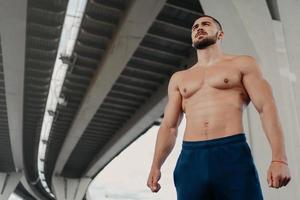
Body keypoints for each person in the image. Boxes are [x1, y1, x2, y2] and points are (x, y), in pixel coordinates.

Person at [146, 14, 291, 199]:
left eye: (206, 24)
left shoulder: (242, 64)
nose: (199, 28)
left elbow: (266, 108)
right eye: (195, 27)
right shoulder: (179, 78)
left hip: (231, 153)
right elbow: (169, 126)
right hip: (191, 159)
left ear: (220, 34)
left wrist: (279, 158)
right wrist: (155, 165)